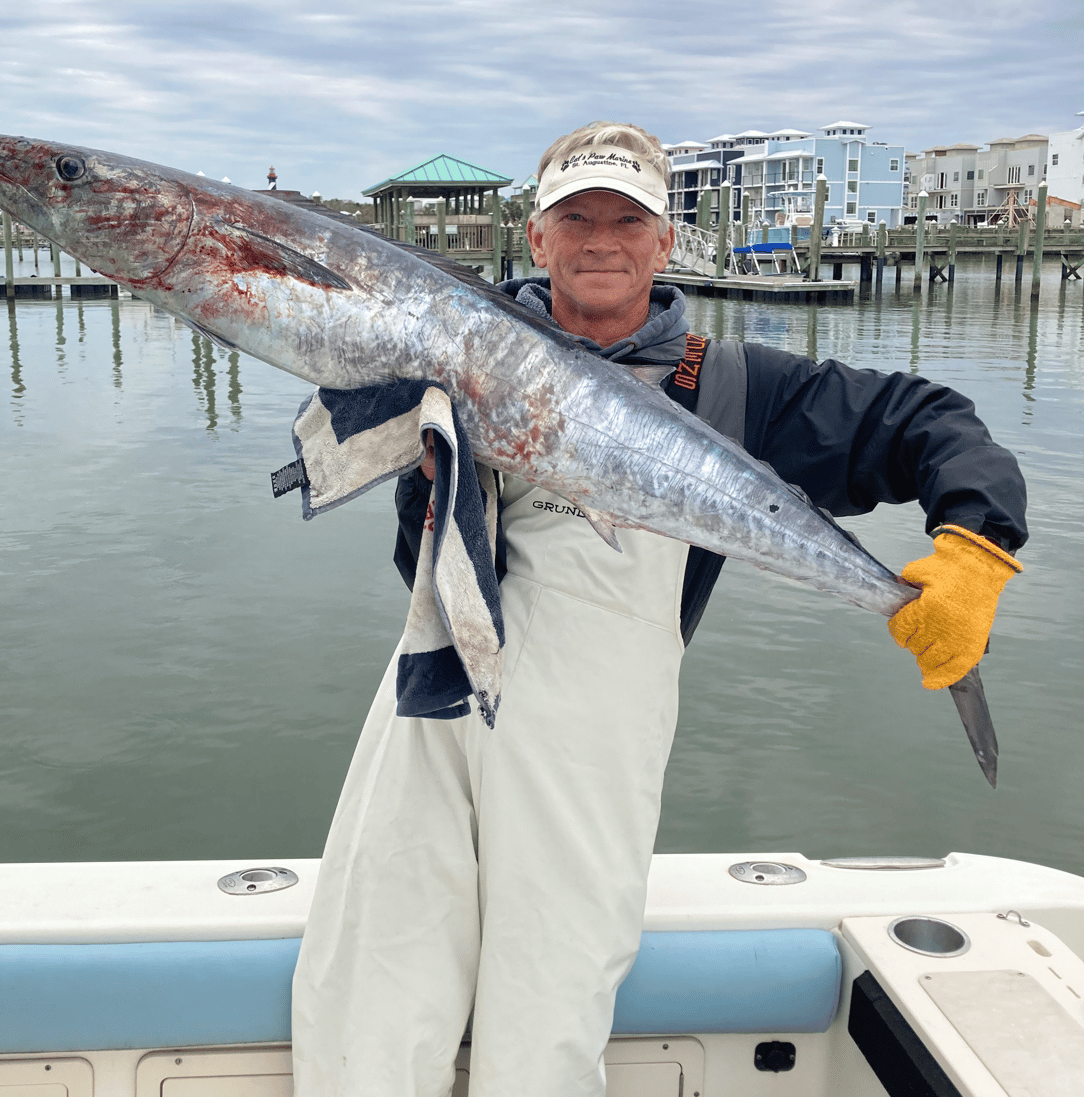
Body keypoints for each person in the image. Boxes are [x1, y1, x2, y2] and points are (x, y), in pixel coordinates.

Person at [291, 122, 1028, 1097]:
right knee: (368, 984)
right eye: (575, 216)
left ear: (662, 243)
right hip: (429, 705)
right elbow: (410, 550)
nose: (601, 237)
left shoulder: (733, 388)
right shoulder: (438, 359)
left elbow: (926, 421)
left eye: (626, 219)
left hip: (589, 741)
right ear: (537, 238)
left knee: (547, 1014)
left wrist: (974, 543)